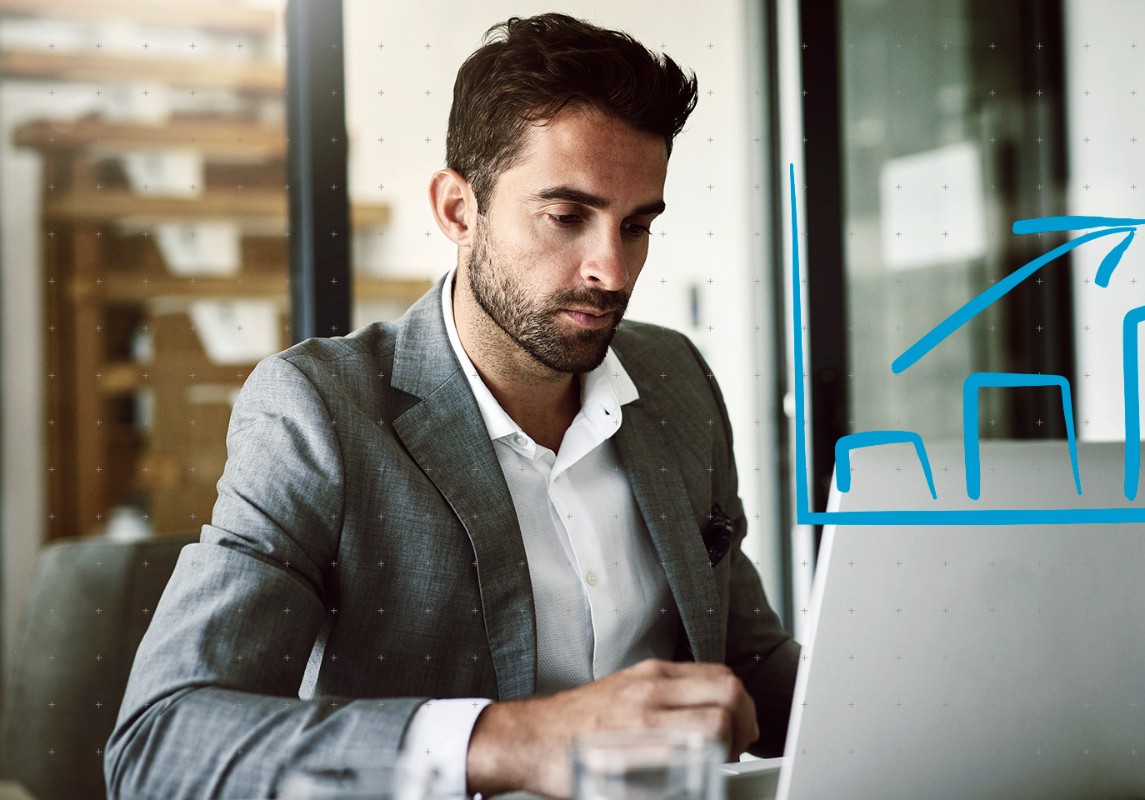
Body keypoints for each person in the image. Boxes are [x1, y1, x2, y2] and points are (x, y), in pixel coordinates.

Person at [106, 13, 798, 799]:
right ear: (458, 211)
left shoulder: (674, 378)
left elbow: (748, 664)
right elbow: (161, 745)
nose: (612, 269)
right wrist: (516, 740)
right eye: (567, 217)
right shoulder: (319, 412)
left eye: (636, 225)